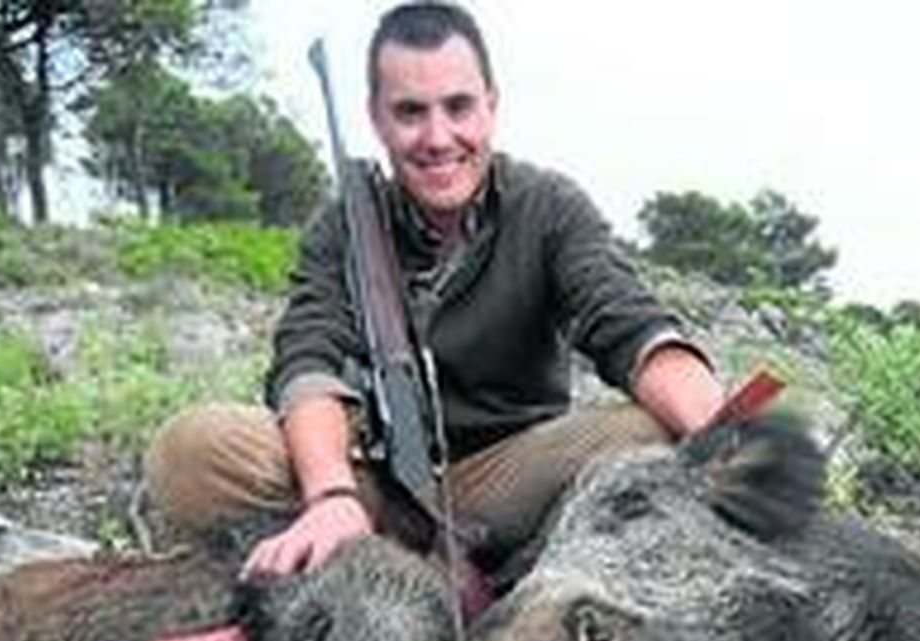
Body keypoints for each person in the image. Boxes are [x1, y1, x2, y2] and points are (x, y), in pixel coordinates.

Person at [143, 1, 726, 578]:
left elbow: (628, 322)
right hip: (374, 487)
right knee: (192, 450)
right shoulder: (342, 225)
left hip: (511, 483)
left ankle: (454, 566)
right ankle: (369, 550)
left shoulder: (550, 207)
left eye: (458, 107)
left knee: (653, 433)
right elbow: (308, 359)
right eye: (410, 112)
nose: (438, 137)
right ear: (376, 118)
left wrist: (725, 435)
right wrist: (331, 497)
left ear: (491, 107)